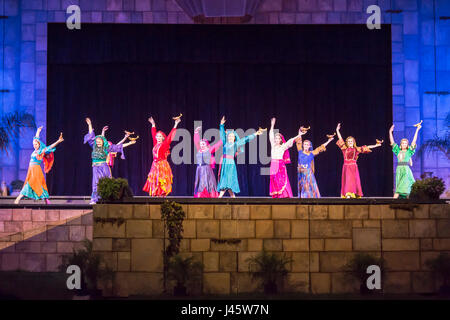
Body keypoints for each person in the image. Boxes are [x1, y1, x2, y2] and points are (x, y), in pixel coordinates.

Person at [14, 126, 64, 204]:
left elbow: (49, 147)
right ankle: (46, 200)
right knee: (34, 183)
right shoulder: (35, 151)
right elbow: (36, 138)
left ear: (39, 144)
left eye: (36, 144)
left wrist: (58, 141)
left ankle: (18, 198)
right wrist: (38, 131)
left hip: (36, 170)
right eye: (33, 144)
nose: (34, 145)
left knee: (31, 183)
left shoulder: (41, 151)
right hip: (31, 170)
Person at [217, 116, 263, 198]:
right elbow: (221, 134)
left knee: (227, 179)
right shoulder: (225, 143)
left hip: (230, 164)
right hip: (224, 163)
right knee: (227, 180)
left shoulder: (235, 144)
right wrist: (221, 125)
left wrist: (255, 133)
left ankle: (220, 197)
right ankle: (233, 197)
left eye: (232, 136)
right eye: (229, 136)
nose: (230, 137)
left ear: (234, 138)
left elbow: (245, 139)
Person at [84, 118, 127, 204]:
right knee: (95, 183)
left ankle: (108, 197)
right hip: (95, 167)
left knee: (106, 181)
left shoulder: (107, 148)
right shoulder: (94, 146)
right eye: (97, 142)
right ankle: (95, 199)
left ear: (103, 142)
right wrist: (89, 125)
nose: (98, 143)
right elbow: (91, 136)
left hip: (104, 167)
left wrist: (128, 141)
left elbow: (117, 146)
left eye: (100, 141)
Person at [336, 123, 382, 198]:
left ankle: (353, 193)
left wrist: (376, 145)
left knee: (353, 180)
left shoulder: (356, 149)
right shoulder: (344, 149)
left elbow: (367, 146)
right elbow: (340, 139)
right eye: (349, 141)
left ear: (353, 142)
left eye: (351, 141)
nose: (350, 143)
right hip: (346, 167)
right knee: (347, 180)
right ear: (347, 143)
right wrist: (337, 130)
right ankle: (347, 194)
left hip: (353, 167)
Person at [143, 116, 181, 197]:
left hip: (162, 165)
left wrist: (176, 124)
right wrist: (153, 124)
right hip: (155, 165)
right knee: (155, 179)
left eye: (160, 136)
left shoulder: (164, 145)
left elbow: (170, 136)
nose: (158, 138)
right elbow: (153, 134)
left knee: (161, 180)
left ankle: (161, 194)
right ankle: (155, 193)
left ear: (163, 138)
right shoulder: (155, 144)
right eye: (157, 136)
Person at [296, 130, 335, 198]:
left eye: (307, 145)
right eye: (304, 144)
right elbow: (299, 142)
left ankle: (310, 197)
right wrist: (299, 133)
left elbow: (320, 148)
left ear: (309, 146)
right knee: (302, 185)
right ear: (303, 145)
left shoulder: (312, 153)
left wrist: (329, 141)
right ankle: (302, 197)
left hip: (308, 172)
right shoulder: (300, 151)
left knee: (309, 185)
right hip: (300, 172)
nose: (305, 146)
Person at [268, 117, 300, 198]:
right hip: (273, 164)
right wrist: (272, 125)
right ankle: (276, 195)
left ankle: (284, 195)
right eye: (276, 138)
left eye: (278, 138)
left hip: (280, 164)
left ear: (281, 140)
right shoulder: (273, 145)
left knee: (281, 180)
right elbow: (271, 134)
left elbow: (290, 140)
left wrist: (299, 134)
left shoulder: (283, 146)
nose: (276, 139)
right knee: (274, 179)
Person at [389, 123, 421, 198]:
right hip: (399, 170)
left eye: (405, 143)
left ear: (407, 145)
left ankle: (394, 200)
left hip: (406, 170)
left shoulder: (409, 151)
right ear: (401, 144)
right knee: (400, 185)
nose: (404, 144)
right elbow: (392, 142)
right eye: (403, 143)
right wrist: (390, 132)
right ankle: (404, 203)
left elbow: (414, 141)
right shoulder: (397, 150)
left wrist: (417, 130)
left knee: (404, 186)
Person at [193, 126, 222, 198]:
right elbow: (196, 140)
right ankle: (200, 195)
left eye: (203, 144)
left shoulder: (209, 150)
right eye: (201, 144)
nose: (201, 145)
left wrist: (224, 137)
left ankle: (207, 195)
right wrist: (196, 132)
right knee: (200, 183)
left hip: (206, 169)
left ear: (206, 144)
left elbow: (218, 144)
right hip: (199, 169)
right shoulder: (199, 150)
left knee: (206, 182)